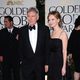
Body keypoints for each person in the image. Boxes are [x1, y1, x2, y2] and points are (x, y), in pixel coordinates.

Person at [18, 7, 50, 80]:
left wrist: (47, 63)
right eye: (28, 16)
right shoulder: (22, 30)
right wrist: (22, 61)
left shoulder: (45, 29)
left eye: (33, 16)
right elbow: (20, 47)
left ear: (37, 17)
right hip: (26, 66)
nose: (30, 18)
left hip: (40, 65)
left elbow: (47, 48)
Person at [45, 11, 68, 80]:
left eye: (53, 19)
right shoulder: (51, 33)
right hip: (51, 62)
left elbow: (64, 51)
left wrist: (64, 66)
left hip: (59, 62)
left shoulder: (63, 34)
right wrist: (47, 64)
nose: (50, 22)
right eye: (49, 20)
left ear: (58, 20)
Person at [0, 16, 20, 80]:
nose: (5, 23)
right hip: (5, 57)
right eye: (4, 22)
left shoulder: (18, 31)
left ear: (11, 22)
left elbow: (21, 45)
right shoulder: (1, 32)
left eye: (6, 21)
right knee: (5, 74)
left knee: (17, 74)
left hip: (16, 57)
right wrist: (0, 55)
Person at [68, 15, 80, 80]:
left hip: (76, 55)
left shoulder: (74, 31)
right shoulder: (75, 31)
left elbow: (70, 43)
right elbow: (70, 43)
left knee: (77, 70)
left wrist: (70, 53)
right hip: (77, 55)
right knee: (77, 71)